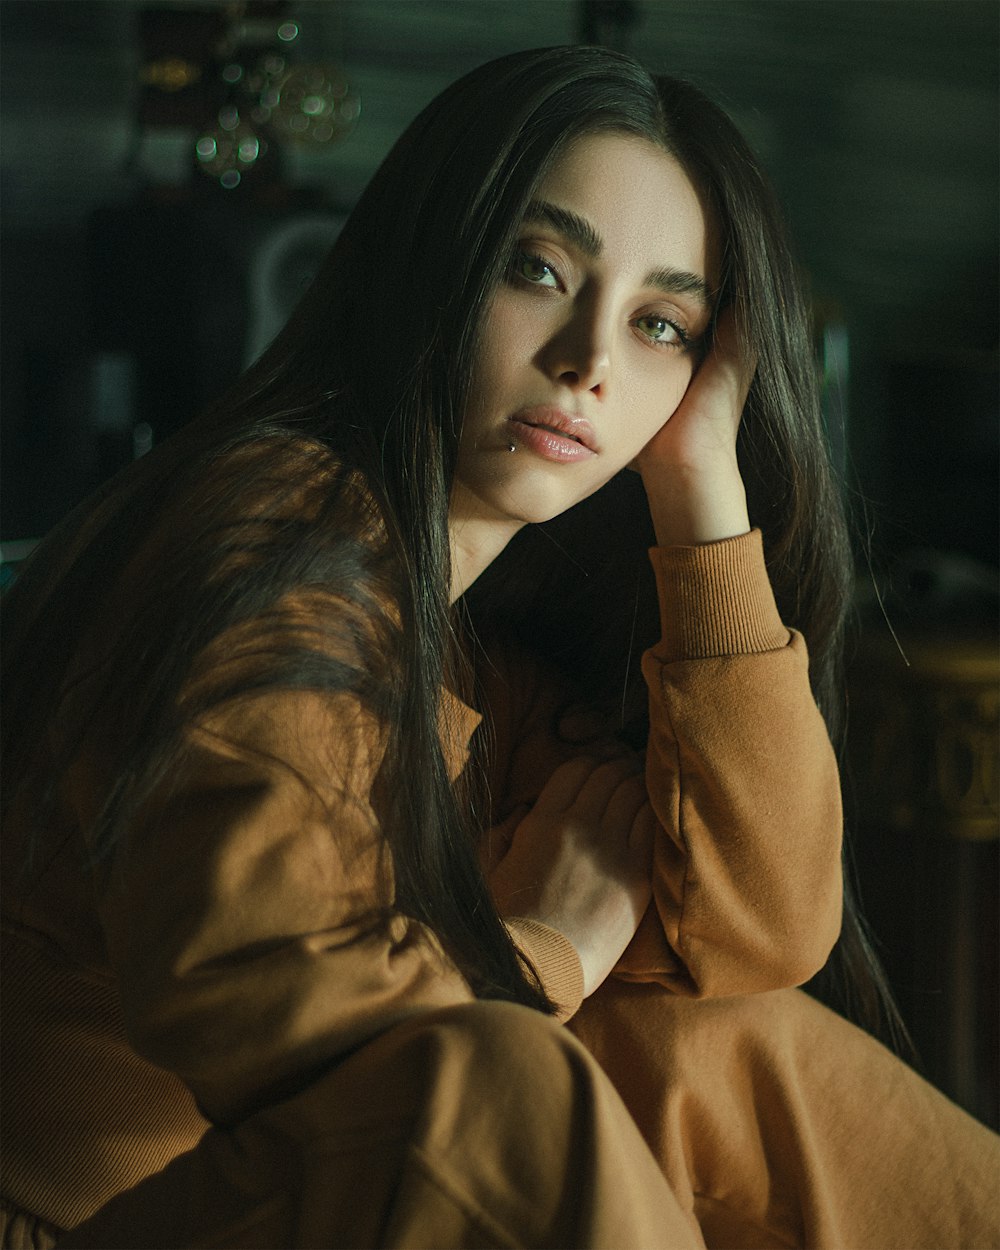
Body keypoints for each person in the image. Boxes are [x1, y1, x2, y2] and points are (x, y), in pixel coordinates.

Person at [1, 44, 996, 1250]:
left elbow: (757, 936)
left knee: (705, 1038)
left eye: (661, 323)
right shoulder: (272, 528)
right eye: (539, 267)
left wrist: (699, 488)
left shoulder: (476, 653)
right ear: (432, 261)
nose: (589, 363)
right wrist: (552, 948)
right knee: (509, 1084)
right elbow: (297, 1030)